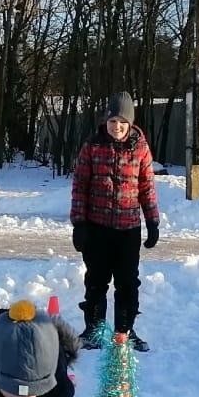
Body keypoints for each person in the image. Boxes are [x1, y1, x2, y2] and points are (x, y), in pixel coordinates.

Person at [70, 92, 161, 352]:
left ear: (130, 123)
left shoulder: (141, 148)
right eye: (112, 121)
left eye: (122, 122)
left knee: (127, 282)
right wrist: (79, 223)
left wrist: (152, 221)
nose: (116, 127)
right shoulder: (92, 145)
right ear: (105, 122)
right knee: (96, 280)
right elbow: (80, 185)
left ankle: (124, 330)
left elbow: (147, 187)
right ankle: (95, 330)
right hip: (97, 227)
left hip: (128, 229)